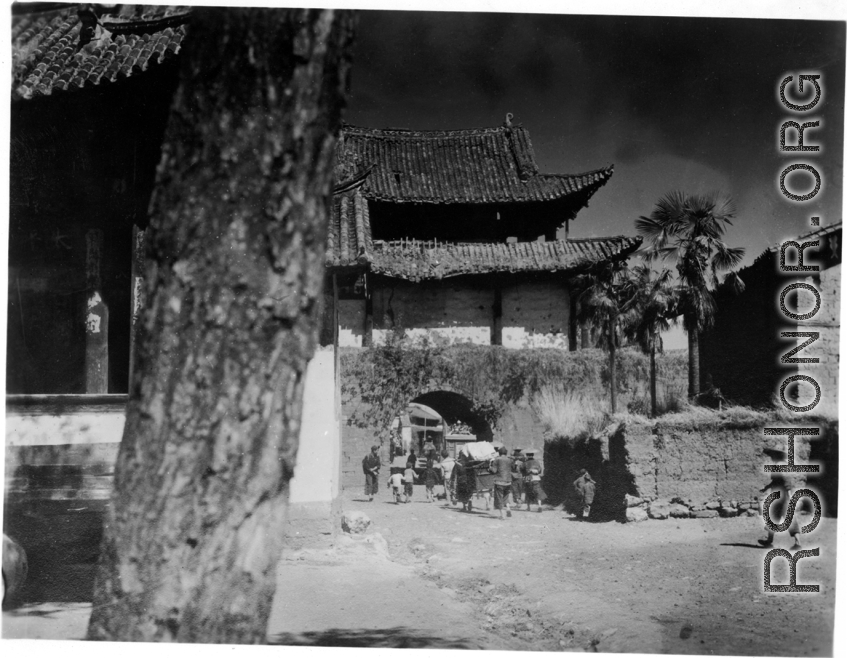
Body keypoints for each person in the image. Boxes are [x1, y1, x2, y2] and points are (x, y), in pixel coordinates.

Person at [758, 447, 803, 549]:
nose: (771, 457)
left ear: (776, 456)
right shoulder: (779, 465)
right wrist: (766, 488)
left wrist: (789, 495)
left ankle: (798, 543)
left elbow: (786, 481)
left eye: (772, 455)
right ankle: (769, 541)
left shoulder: (779, 465)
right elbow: (776, 481)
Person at [489, 446, 513, 520]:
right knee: (506, 496)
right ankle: (508, 508)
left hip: (499, 481)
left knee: (499, 498)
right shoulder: (510, 460)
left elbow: (494, 471)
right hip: (508, 481)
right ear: (506, 453)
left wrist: (490, 467)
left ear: (499, 453)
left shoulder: (497, 459)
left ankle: (502, 515)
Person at [523, 448, 545, 513]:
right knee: (538, 492)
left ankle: (528, 507)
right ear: (533, 455)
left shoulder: (525, 463)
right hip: (536, 479)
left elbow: (522, 470)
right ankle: (540, 506)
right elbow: (540, 470)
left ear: (527, 455)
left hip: (528, 479)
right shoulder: (537, 462)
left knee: (528, 492)